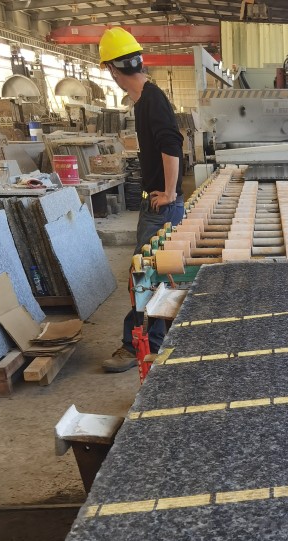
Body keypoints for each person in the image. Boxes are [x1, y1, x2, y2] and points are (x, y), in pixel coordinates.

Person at [98, 27, 185, 372]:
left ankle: (136, 346)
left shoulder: (152, 100)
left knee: (144, 276)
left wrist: (170, 192)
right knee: (153, 276)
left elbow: (171, 144)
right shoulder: (144, 100)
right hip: (155, 203)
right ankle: (151, 342)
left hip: (161, 206)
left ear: (112, 69)